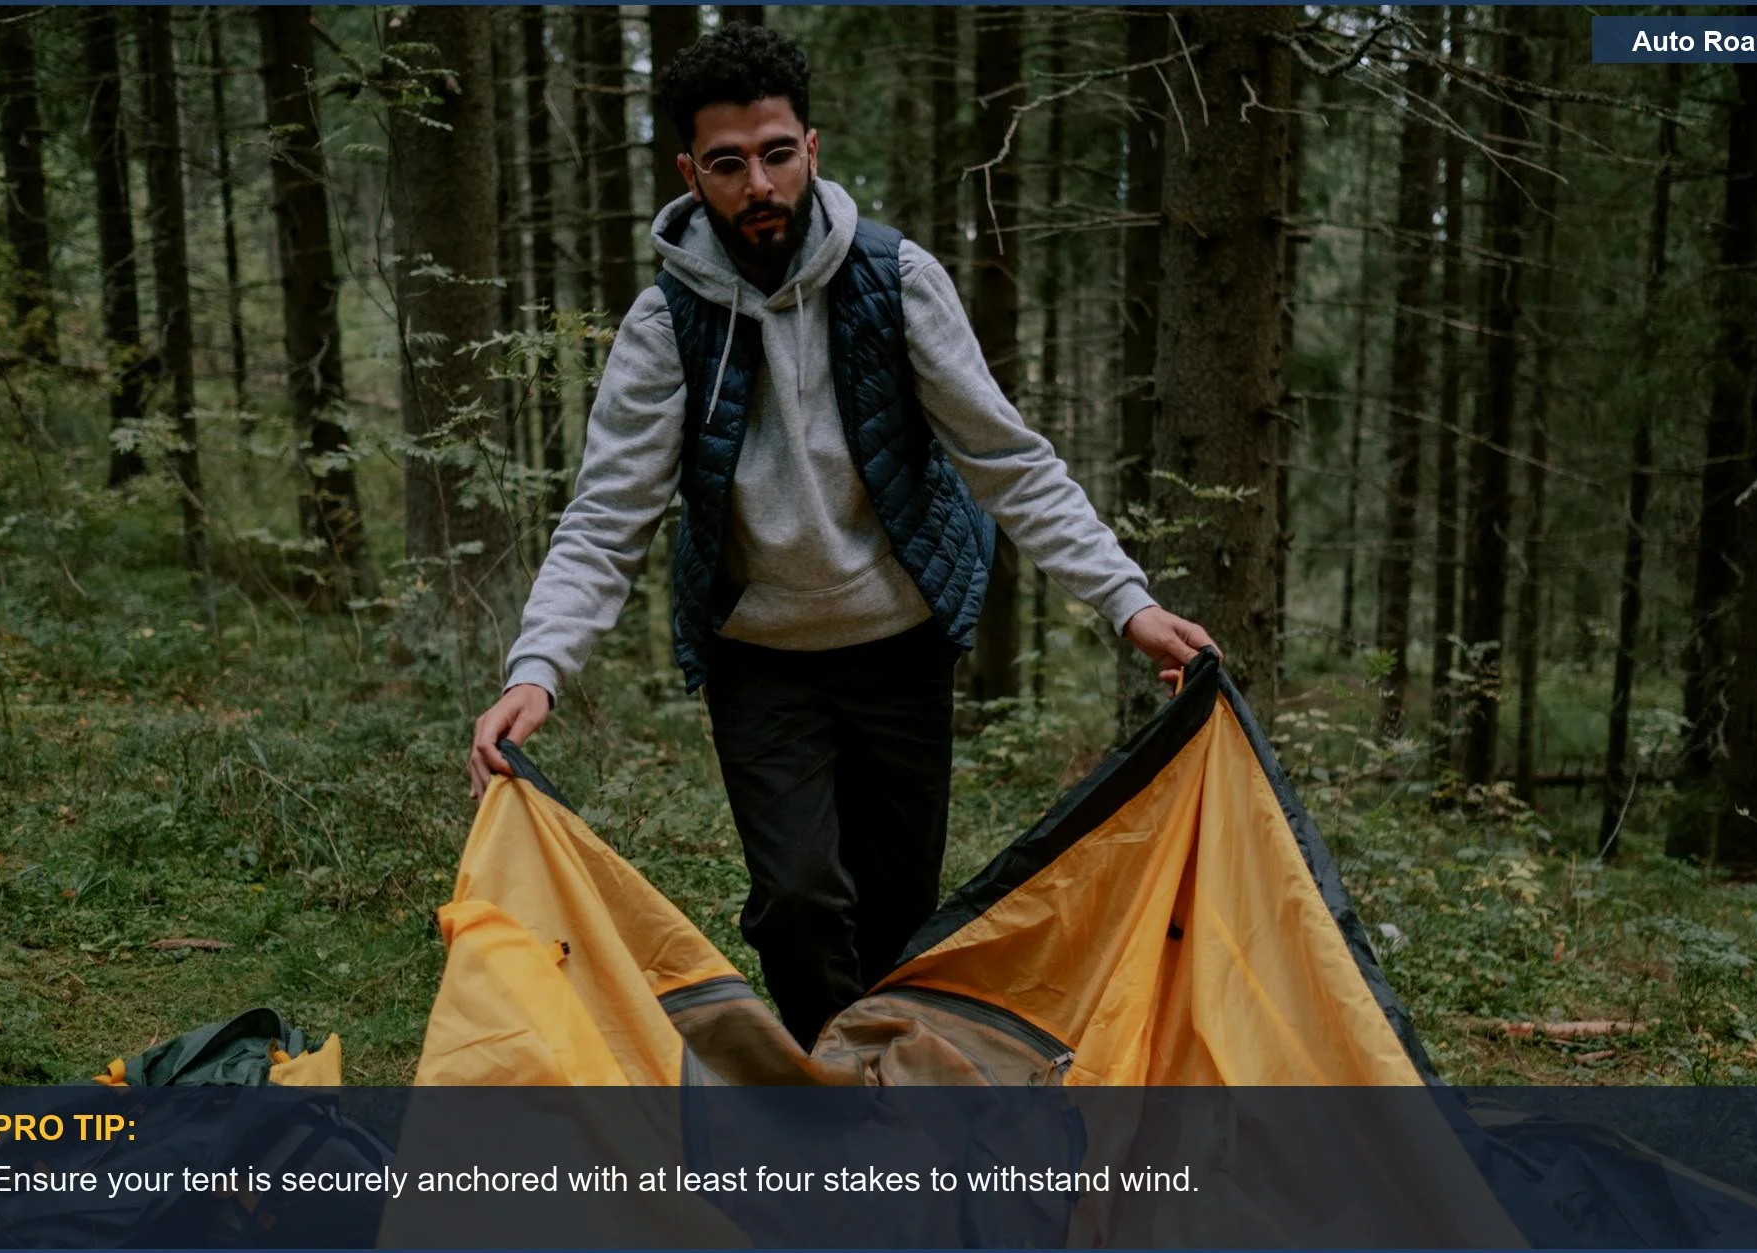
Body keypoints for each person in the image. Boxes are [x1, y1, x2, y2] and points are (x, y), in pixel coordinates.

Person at [468, 24, 1218, 1050]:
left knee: (898, 916)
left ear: (811, 148)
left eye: (777, 153)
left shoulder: (897, 281)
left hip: (900, 643)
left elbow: (1007, 459)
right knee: (798, 901)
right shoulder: (665, 326)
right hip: (760, 658)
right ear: (690, 173)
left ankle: (889, 1093)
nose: (758, 184)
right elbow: (606, 518)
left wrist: (1129, 603)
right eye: (727, 163)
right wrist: (537, 669)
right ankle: (830, 1101)